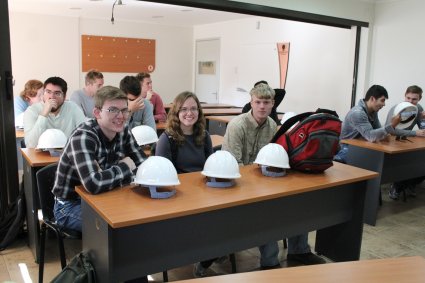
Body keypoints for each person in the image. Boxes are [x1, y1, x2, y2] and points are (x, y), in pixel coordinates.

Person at [222, 83, 325, 270]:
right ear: (251, 103)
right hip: (239, 185)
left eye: (266, 102)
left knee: (298, 201)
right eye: (258, 102)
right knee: (267, 210)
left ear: (272, 104)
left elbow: (277, 155)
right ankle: (270, 262)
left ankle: (299, 250)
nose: (262, 106)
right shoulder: (237, 126)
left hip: (264, 182)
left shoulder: (273, 126)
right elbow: (233, 165)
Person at [52, 86, 145, 232]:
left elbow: (142, 165)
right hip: (71, 205)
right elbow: (94, 184)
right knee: (118, 227)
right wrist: (125, 167)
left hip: (108, 196)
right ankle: (94, 255)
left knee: (140, 217)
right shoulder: (83, 137)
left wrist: (110, 175)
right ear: (97, 113)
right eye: (113, 110)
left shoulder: (123, 130)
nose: (120, 116)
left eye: (124, 110)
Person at [155, 91, 217, 277]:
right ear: (176, 112)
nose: (189, 113)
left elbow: (211, 167)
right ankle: (204, 253)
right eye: (183, 109)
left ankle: (208, 256)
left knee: (225, 223)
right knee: (207, 228)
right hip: (179, 197)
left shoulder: (204, 135)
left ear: (199, 111)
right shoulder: (167, 139)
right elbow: (162, 176)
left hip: (203, 194)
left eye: (193, 108)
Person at [334, 84, 400, 163]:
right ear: (372, 98)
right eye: (382, 100)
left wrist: (381, 134)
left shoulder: (373, 111)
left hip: (362, 146)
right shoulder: (358, 113)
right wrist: (391, 125)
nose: (384, 104)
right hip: (348, 150)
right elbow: (371, 136)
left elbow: (378, 133)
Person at [385, 85, 425, 199]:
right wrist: (414, 133)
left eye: (414, 99)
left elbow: (422, 128)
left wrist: (424, 119)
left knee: (420, 161)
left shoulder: (419, 109)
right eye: (408, 98)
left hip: (406, 142)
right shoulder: (396, 109)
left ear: (419, 99)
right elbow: (390, 131)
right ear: (405, 96)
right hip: (391, 142)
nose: (410, 101)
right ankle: (397, 187)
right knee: (403, 163)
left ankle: (409, 184)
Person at [24, 77, 86, 148]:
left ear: (64, 96)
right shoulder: (32, 111)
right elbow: (31, 145)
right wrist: (44, 114)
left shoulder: (73, 108)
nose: (52, 97)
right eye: (48, 92)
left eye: (57, 93)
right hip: (40, 157)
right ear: (43, 94)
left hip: (68, 155)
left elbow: (85, 133)